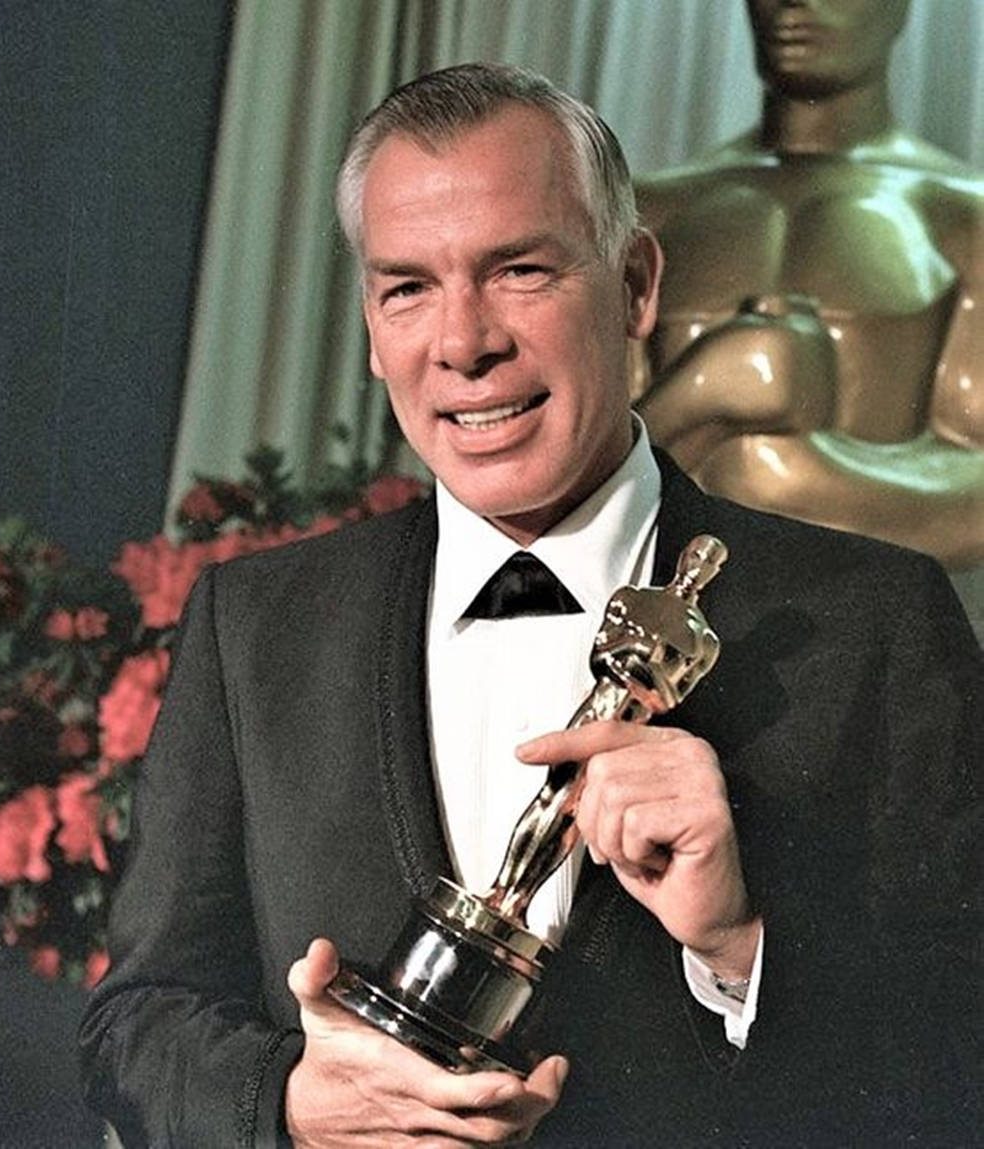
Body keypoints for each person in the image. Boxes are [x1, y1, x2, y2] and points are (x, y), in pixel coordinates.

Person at [79, 63, 981, 1147]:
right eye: (406, 286)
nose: (463, 344)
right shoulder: (252, 625)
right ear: (371, 326)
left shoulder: (875, 622)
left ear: (637, 286)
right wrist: (286, 1102)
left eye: (518, 271)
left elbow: (954, 1055)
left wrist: (740, 946)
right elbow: (134, 1024)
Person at [633, 0, 984, 581]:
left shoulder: (963, 217)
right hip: (657, 623)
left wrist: (780, 477)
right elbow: (576, 467)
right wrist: (706, 389)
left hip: (873, 634)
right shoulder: (648, 211)